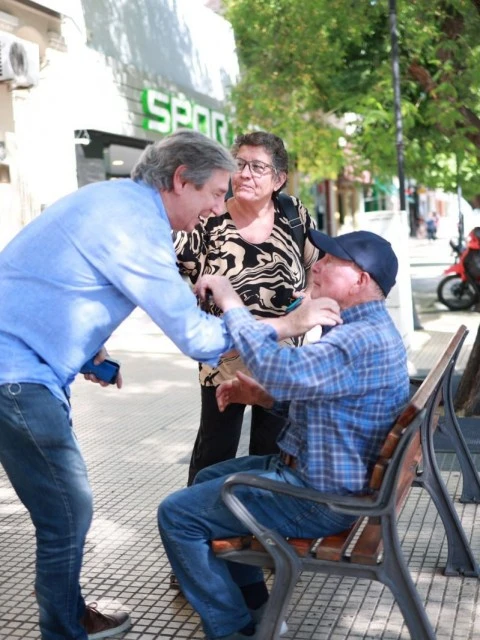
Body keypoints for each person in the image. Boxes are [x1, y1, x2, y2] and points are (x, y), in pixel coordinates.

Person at [0, 129, 240, 640]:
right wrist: (278, 324)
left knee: (61, 509)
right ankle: (64, 628)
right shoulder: (137, 226)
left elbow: (59, 279)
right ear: (181, 179)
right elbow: (198, 338)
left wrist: (90, 349)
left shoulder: (111, 200)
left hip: (19, 366)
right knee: (67, 509)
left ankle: (69, 613)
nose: (218, 209)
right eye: (217, 193)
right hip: (15, 376)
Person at [158, 230, 410, 640]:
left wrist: (230, 301)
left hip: (320, 498)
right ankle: (259, 609)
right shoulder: (368, 328)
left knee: (177, 514)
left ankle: (233, 629)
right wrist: (265, 398)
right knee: (208, 478)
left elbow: (278, 368)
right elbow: (330, 403)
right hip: (332, 480)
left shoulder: (355, 339)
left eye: (331, 261)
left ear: (361, 280)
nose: (318, 266)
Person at [174, 131, 319, 487]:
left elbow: (317, 268)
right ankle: (200, 511)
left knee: (271, 451)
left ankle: (255, 515)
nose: (245, 174)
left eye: (257, 167)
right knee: (215, 450)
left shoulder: (294, 215)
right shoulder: (209, 217)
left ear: (279, 179)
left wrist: (308, 297)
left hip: (280, 358)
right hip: (224, 357)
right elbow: (171, 275)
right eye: (239, 164)